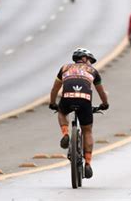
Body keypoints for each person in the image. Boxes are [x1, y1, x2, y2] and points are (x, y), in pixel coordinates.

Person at [48, 48, 109, 179]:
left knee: (62, 112)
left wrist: (53, 103)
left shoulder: (64, 68)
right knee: (87, 131)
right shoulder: (93, 71)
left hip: (67, 98)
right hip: (85, 100)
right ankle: (87, 163)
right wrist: (105, 104)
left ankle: (65, 134)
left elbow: (54, 89)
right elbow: (101, 92)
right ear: (85, 59)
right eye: (90, 61)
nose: (90, 64)